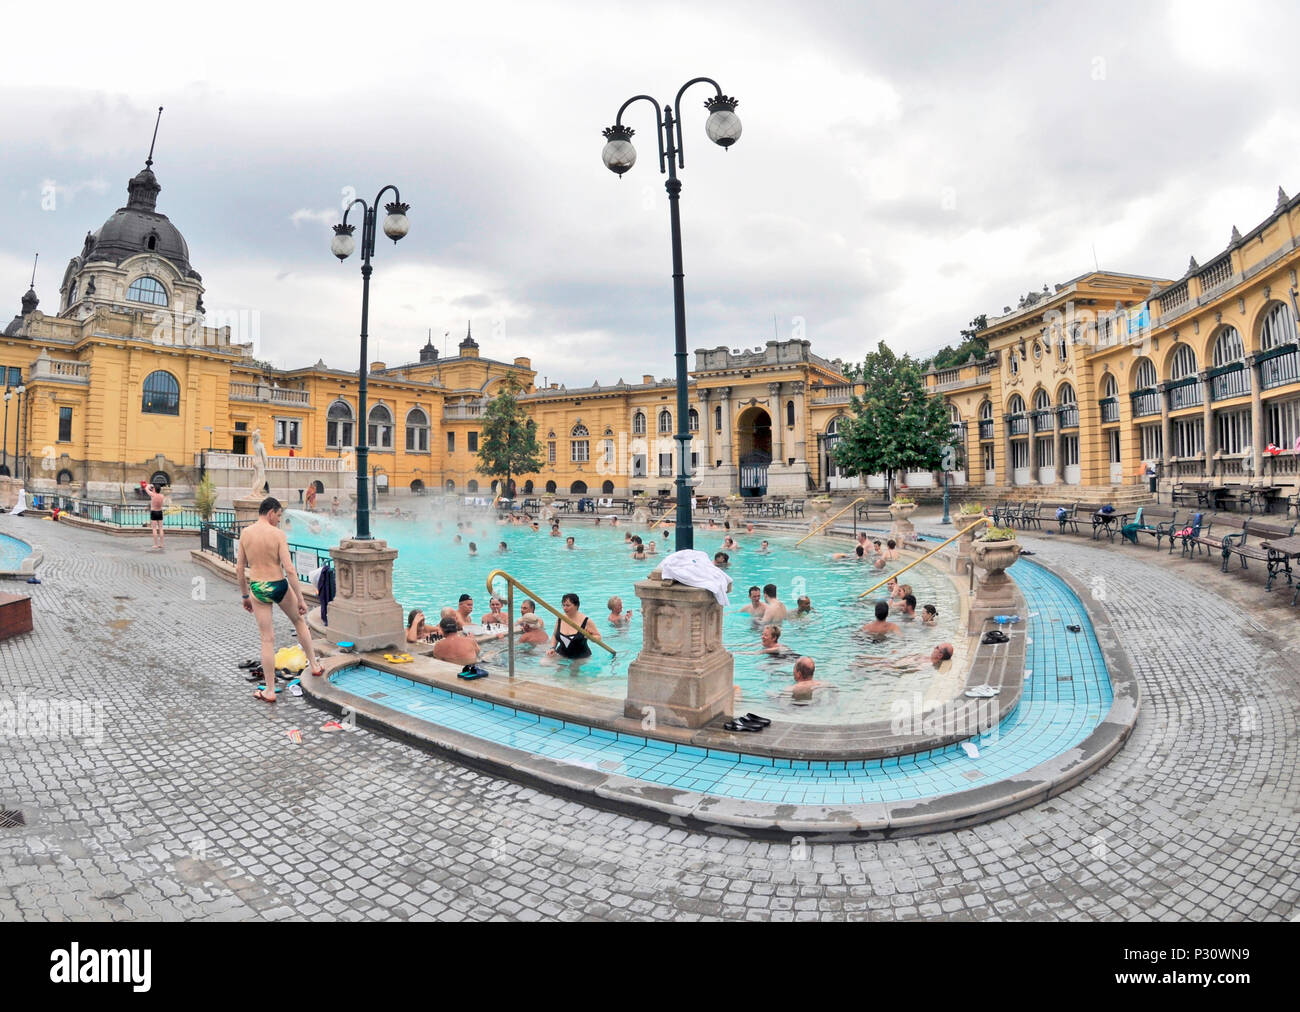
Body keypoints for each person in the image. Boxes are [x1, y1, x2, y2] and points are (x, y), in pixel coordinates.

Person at [237, 496, 324, 702]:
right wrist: (301, 600)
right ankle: (315, 665)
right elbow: (290, 570)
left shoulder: (246, 534)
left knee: (267, 639)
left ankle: (269, 690)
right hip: (278, 585)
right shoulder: (277, 534)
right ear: (270, 513)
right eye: (278, 515)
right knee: (299, 621)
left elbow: (240, 568)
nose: (278, 519)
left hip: (258, 587)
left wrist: (245, 595)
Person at [548, 593, 601, 660]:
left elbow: (598, 637)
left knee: (573, 669)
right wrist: (552, 648)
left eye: (568, 605)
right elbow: (555, 635)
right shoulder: (560, 618)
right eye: (563, 605)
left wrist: (590, 637)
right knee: (544, 663)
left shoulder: (586, 621)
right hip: (562, 654)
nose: (564, 608)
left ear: (576, 606)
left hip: (580, 657)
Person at [145, 482, 166, 550]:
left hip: (154, 512)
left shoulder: (153, 495)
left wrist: (150, 486)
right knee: (161, 528)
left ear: (154, 489)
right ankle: (162, 544)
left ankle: (156, 544)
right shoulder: (162, 496)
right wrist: (153, 488)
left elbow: (146, 488)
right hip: (160, 512)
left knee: (154, 528)